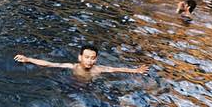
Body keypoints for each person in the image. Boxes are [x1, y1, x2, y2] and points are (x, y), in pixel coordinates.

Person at [13, 44, 148, 78]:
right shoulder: (73, 66)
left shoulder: (99, 69)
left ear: (96, 59)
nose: (89, 61)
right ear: (80, 57)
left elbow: (117, 69)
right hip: (72, 83)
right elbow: (50, 63)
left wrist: (136, 71)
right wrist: (28, 59)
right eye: (86, 57)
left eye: (92, 58)